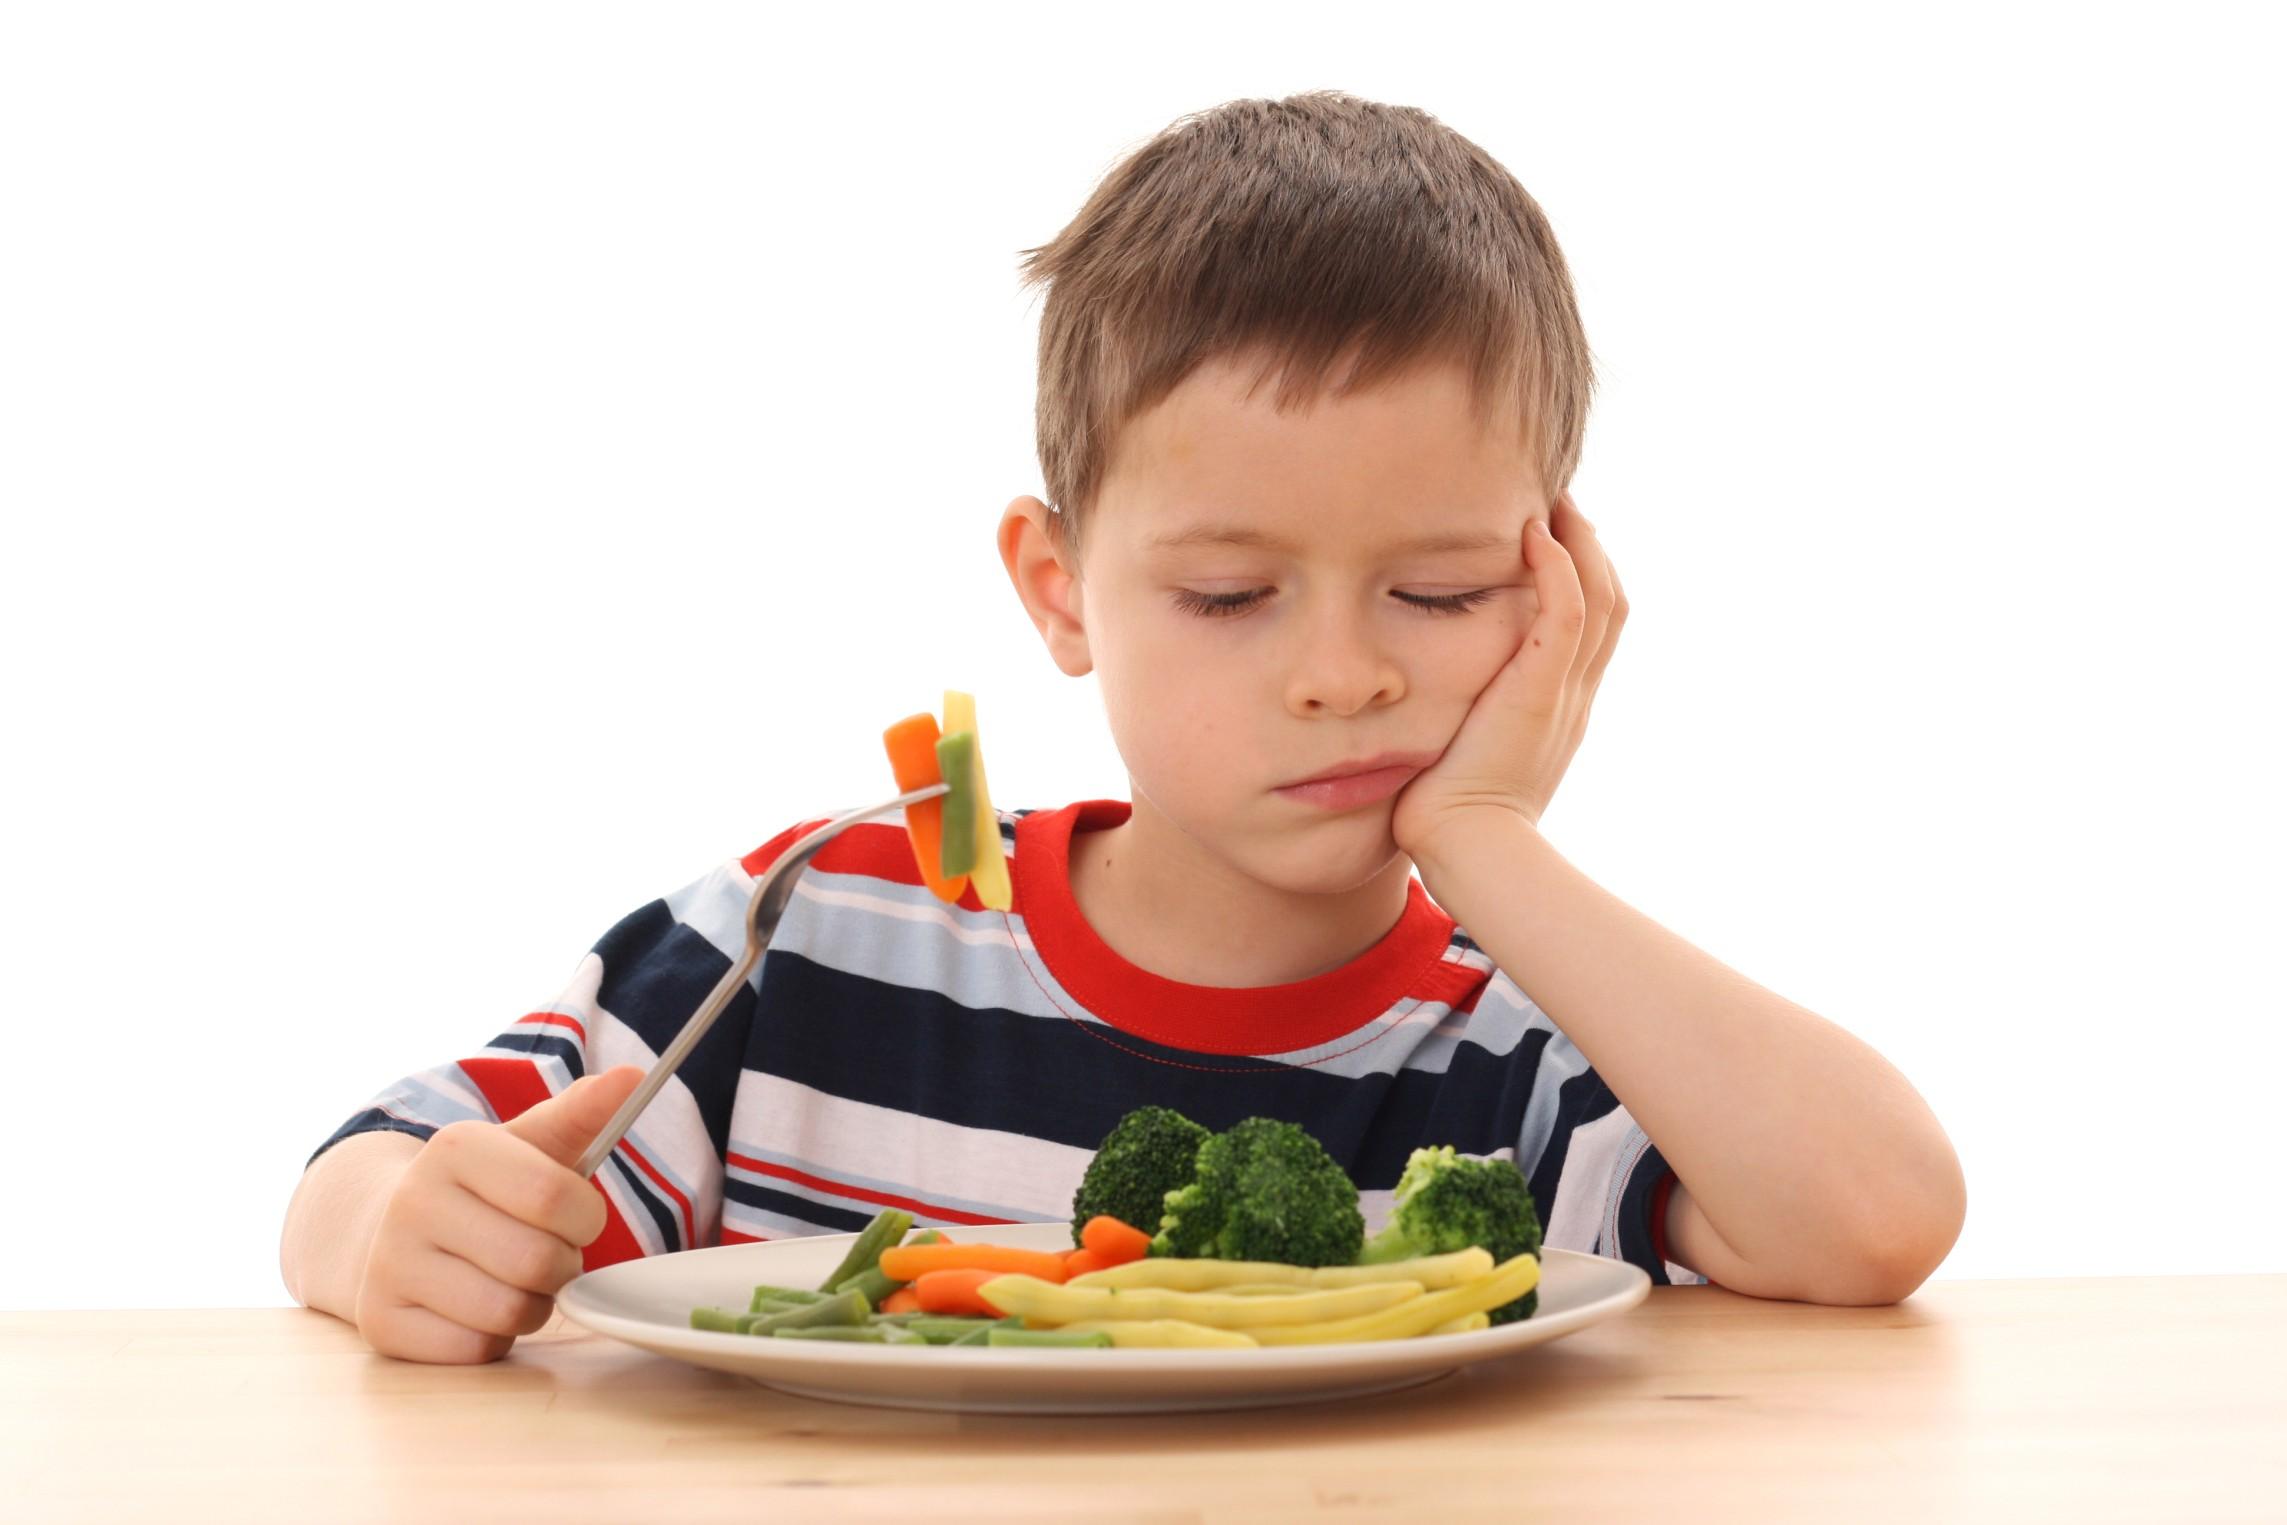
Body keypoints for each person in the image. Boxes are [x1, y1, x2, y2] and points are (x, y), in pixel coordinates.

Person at [280, 90, 1965, 1364]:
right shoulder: (826, 932)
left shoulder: (1516, 1052)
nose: (1342, 676)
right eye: (1232, 596)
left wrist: (1489, 841)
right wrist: (394, 1242)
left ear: (1557, 591)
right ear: (1062, 587)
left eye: (1440, 593)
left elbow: (1876, 1215)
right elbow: (375, 1165)